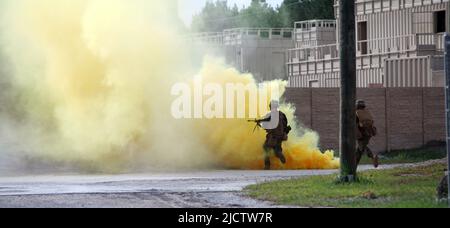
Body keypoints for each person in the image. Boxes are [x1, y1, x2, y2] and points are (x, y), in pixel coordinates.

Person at [258, 101, 291, 170]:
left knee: (266, 148)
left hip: (273, 136)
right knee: (277, 149)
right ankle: (280, 155)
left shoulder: (271, 115)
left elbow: (266, 124)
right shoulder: (282, 114)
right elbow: (285, 125)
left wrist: (260, 122)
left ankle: (267, 165)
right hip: (281, 136)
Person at [356, 100, 379, 168]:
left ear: (357, 106)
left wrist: (357, 134)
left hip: (362, 133)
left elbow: (355, 125)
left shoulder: (356, 113)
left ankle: (372, 156)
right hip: (369, 132)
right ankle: (354, 166)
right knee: (359, 151)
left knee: (362, 147)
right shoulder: (367, 112)